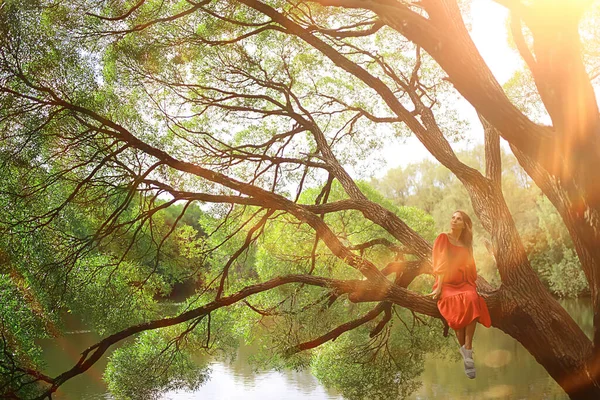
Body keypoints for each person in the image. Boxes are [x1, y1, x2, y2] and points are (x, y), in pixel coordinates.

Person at [428, 210, 491, 379]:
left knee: (472, 298)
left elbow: (470, 266)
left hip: (464, 283)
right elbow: (440, 263)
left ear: (464, 225)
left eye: (459, 219)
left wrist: (471, 283)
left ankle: (467, 348)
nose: (454, 221)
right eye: (453, 217)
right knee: (455, 305)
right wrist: (439, 287)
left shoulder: (465, 244)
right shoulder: (443, 238)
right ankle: (467, 354)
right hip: (447, 284)